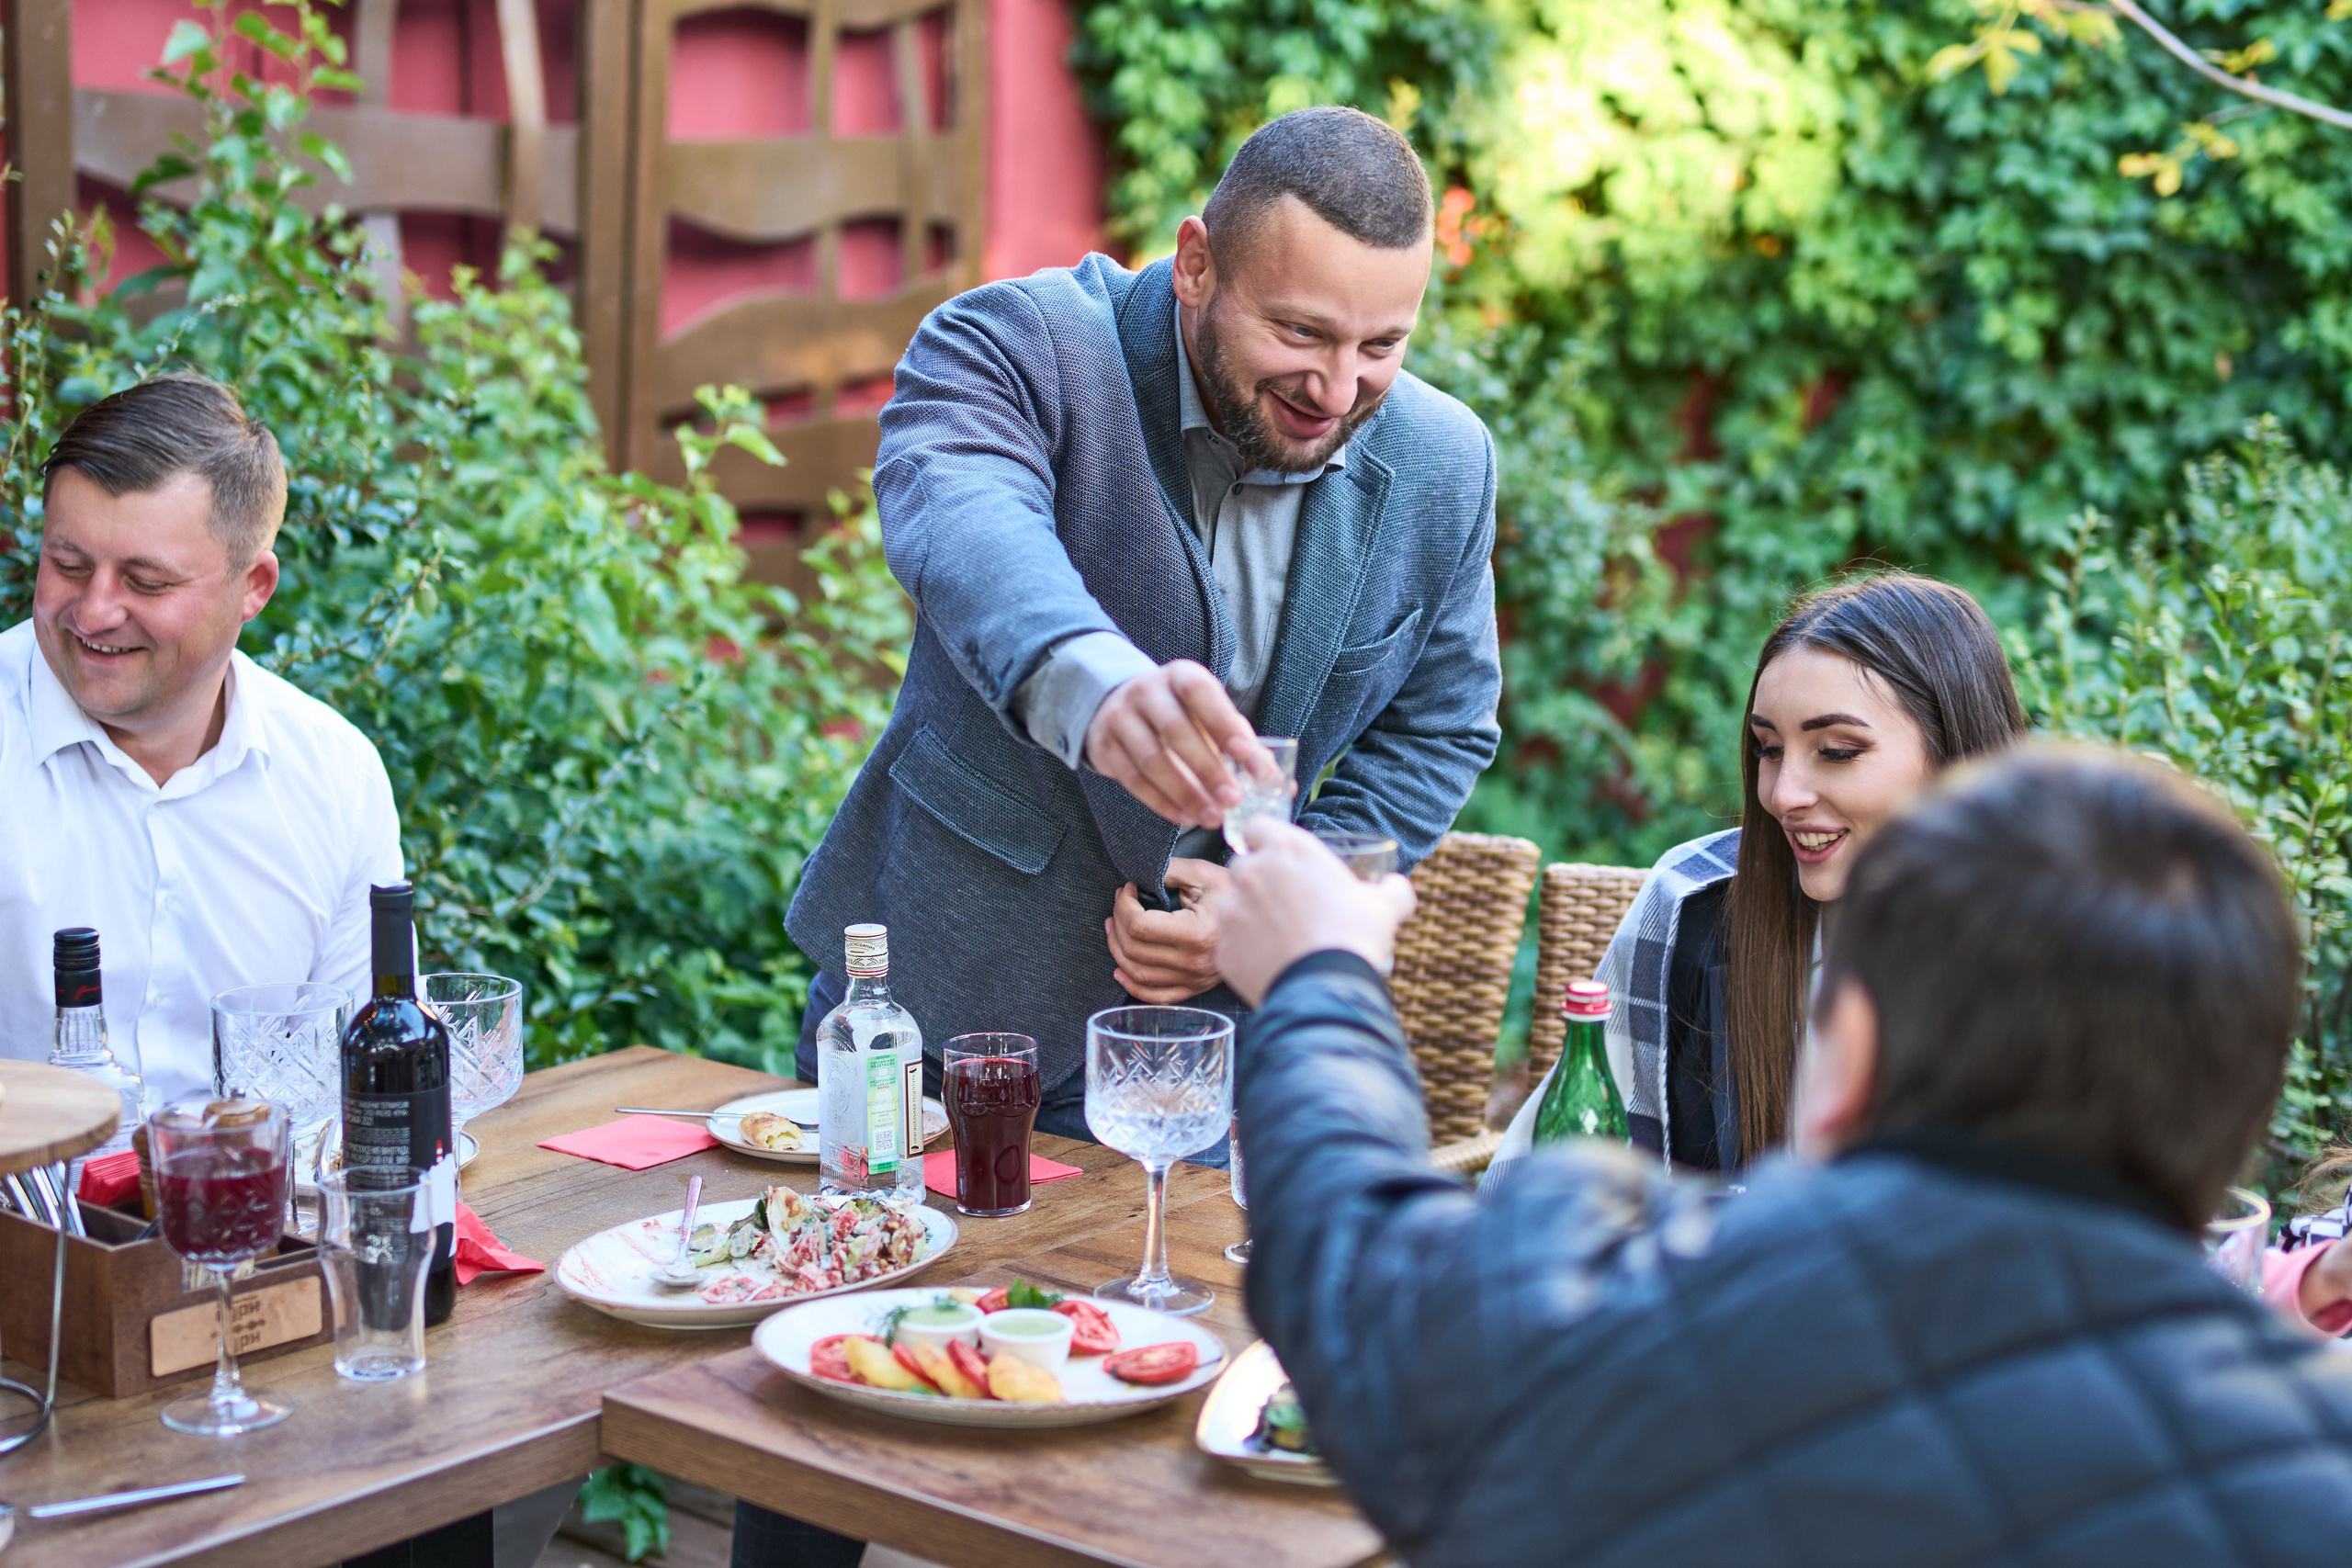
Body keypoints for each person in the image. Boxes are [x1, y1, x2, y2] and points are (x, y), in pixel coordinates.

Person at [1216, 750, 2352, 1567]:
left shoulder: (1611, 1310)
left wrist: (1321, 977)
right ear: (2234, 1122)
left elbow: (1350, 1264)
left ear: (1844, 1050)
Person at [784, 104, 1501, 1145]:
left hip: (1196, 1059)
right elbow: (965, 518)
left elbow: (1441, 729)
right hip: (933, 1012)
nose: (1338, 388)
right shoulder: (1018, 341)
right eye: (1299, 332)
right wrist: (1094, 687)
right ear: (1196, 263)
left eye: (1381, 344)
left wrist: (1268, 899)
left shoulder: (1447, 463)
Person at [1498, 570, 2028, 1172]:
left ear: (1956, 757)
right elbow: (1545, 1176)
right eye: (1768, 749)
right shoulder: (1694, 906)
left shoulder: (2061, 948)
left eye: (1837, 751)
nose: (1782, 795)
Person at [0, 374, 403, 1103]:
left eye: (145, 581)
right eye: (68, 565)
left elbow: (357, 1094)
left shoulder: (338, 779)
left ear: (254, 587)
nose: (93, 612)